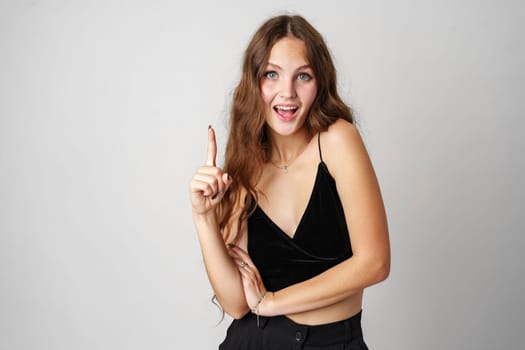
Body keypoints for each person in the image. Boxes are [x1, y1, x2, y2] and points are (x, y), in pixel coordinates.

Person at [189, 14, 390, 349]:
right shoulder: (245, 168)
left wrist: (272, 302)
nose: (288, 93)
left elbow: (375, 262)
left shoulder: (338, 141)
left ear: (319, 83)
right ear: (254, 83)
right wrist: (203, 218)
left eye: (303, 76)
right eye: (272, 74)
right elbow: (237, 304)